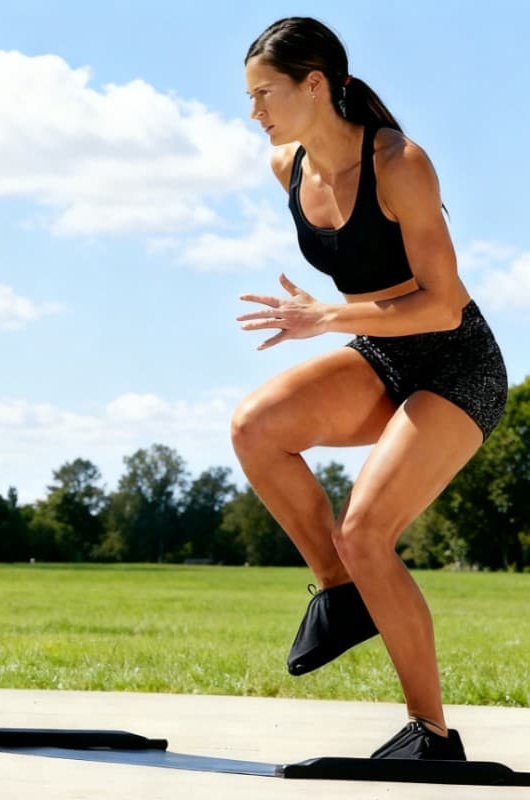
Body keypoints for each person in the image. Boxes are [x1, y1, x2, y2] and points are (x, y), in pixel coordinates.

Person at [231, 17, 507, 760]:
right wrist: (338, 322)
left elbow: (443, 303)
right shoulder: (284, 164)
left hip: (456, 364)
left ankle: (433, 732)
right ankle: (340, 591)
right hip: (382, 356)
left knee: (366, 531)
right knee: (254, 428)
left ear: (315, 85)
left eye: (266, 94)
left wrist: (328, 316)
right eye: (250, 97)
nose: (255, 112)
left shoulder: (398, 162)